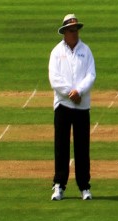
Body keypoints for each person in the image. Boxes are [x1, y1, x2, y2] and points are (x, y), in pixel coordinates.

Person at [48, 13, 96, 201]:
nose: (74, 33)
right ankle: (59, 185)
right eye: (71, 30)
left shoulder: (86, 51)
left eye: (76, 30)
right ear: (64, 32)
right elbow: (54, 79)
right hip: (63, 104)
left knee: (82, 147)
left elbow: (91, 75)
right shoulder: (56, 52)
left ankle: (84, 187)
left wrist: (80, 92)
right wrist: (71, 92)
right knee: (61, 146)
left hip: (82, 106)